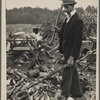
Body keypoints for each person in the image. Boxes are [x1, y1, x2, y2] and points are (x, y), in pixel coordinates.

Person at [58, 0, 84, 99]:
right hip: (66, 50)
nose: (65, 9)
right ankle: (77, 93)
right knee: (73, 72)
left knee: (67, 73)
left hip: (71, 52)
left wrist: (72, 57)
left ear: (72, 6)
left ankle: (64, 95)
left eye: (67, 7)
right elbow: (65, 32)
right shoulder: (68, 18)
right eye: (64, 7)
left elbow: (77, 42)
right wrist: (59, 32)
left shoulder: (78, 20)